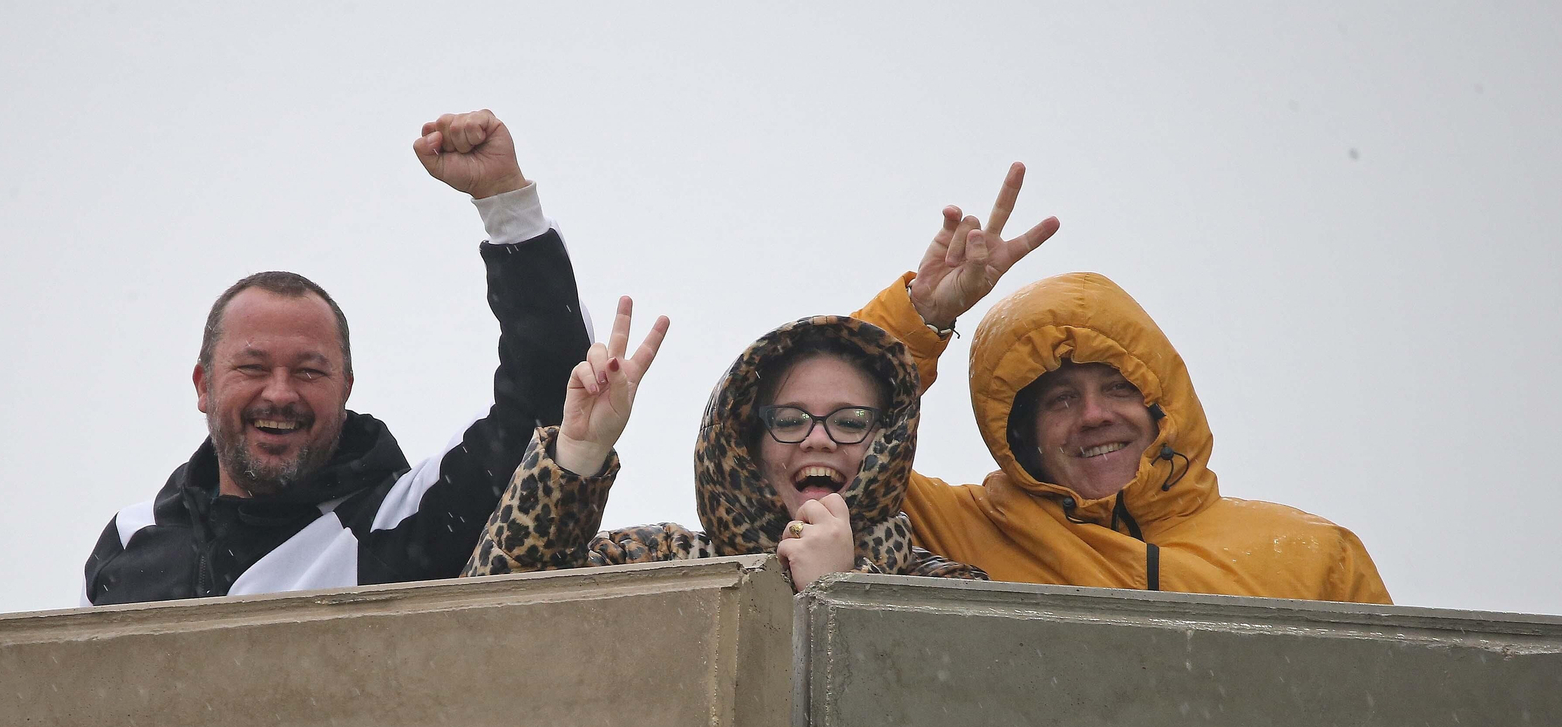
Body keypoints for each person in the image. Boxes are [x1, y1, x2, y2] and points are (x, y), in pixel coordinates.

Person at [82, 110, 592, 605]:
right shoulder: (131, 538)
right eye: (252, 368)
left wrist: (505, 201)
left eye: (308, 371)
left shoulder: (399, 519)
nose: (280, 394)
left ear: (346, 388)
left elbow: (550, 406)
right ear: (203, 385)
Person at [854, 165, 1391, 602]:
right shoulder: (959, 529)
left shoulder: (1312, 557)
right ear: (1023, 433)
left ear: (1162, 405)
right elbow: (798, 442)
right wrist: (919, 316)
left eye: (1117, 388)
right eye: (1061, 399)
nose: (1094, 416)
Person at [461, 299, 985, 590]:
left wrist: (842, 591)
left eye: (849, 422)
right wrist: (577, 452)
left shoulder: (944, 588)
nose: (819, 439)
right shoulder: (668, 563)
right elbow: (485, 618)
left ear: (884, 446)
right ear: (748, 444)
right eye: (789, 419)